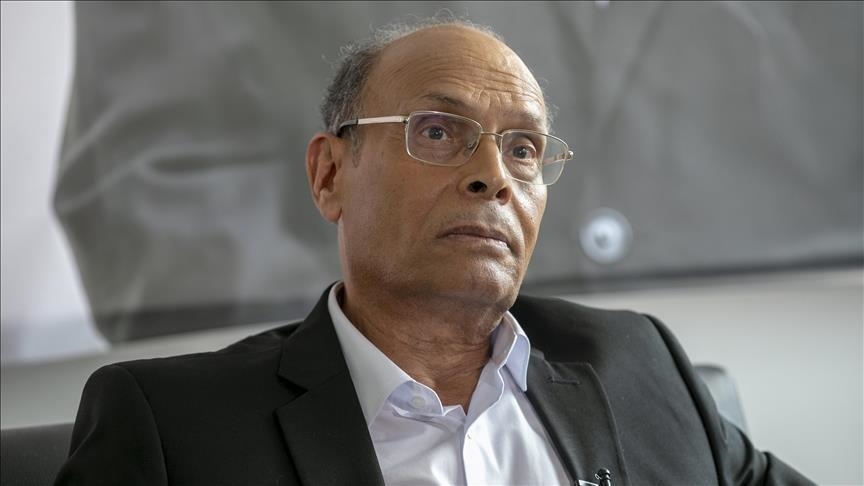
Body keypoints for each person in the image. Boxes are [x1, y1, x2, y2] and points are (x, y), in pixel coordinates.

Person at [55, 17, 813, 486]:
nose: (493, 176)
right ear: (329, 175)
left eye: (524, 149)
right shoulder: (173, 427)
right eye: (439, 132)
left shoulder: (637, 364)